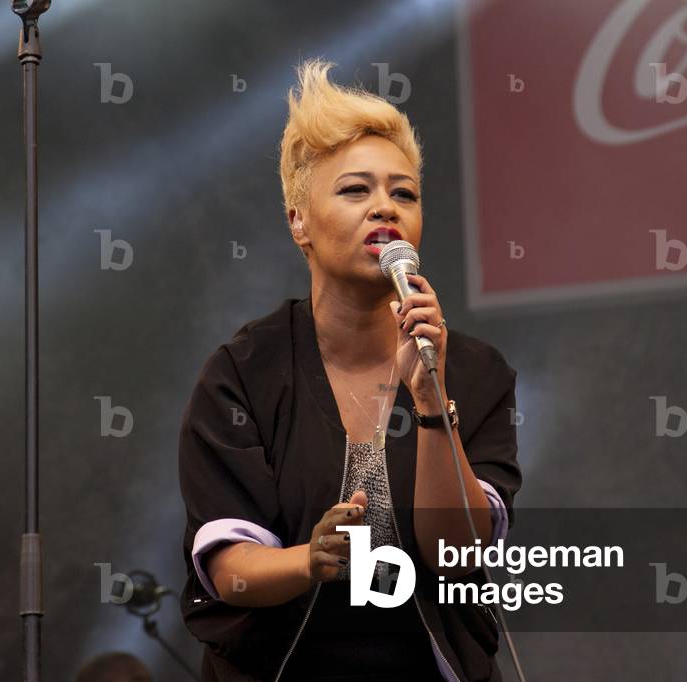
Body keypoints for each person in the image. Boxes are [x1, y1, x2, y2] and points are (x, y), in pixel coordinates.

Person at [178, 58, 521, 681]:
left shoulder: (472, 370)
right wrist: (310, 560)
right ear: (298, 222)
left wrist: (430, 408)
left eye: (404, 193)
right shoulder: (244, 373)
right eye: (356, 190)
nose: (385, 208)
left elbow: (459, 555)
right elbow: (228, 571)